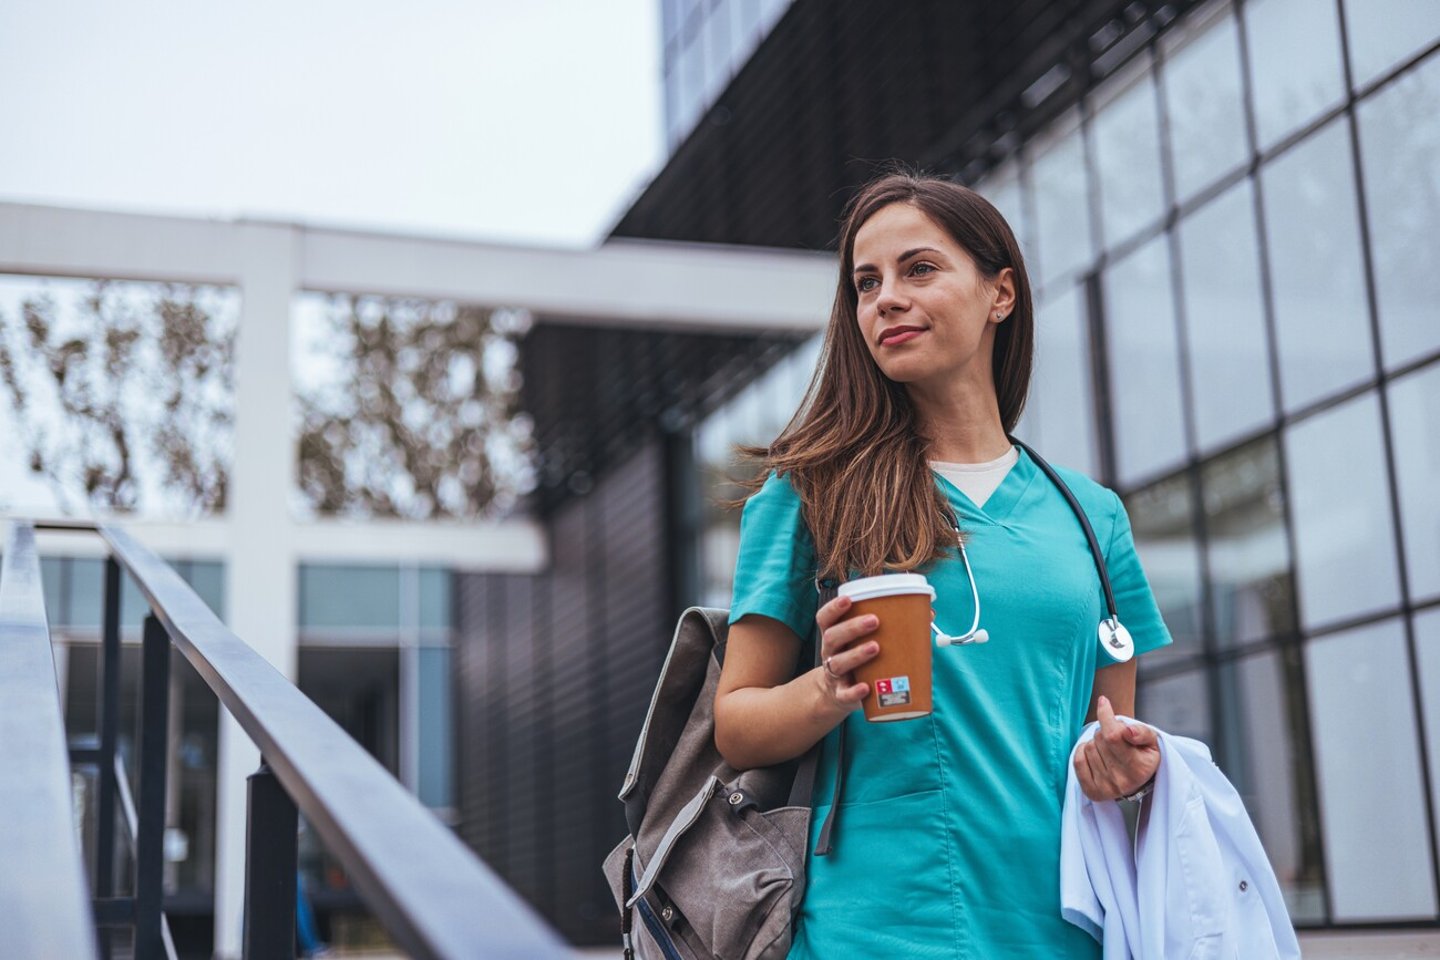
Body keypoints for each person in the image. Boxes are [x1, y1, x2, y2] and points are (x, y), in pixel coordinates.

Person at [713, 171, 1172, 958]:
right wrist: (828, 686)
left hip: (1062, 931)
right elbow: (738, 727)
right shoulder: (808, 495)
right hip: (876, 932)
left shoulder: (1092, 518)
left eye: (918, 269)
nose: (885, 298)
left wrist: (1123, 768)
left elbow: (1106, 740)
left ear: (1001, 293)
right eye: (866, 283)